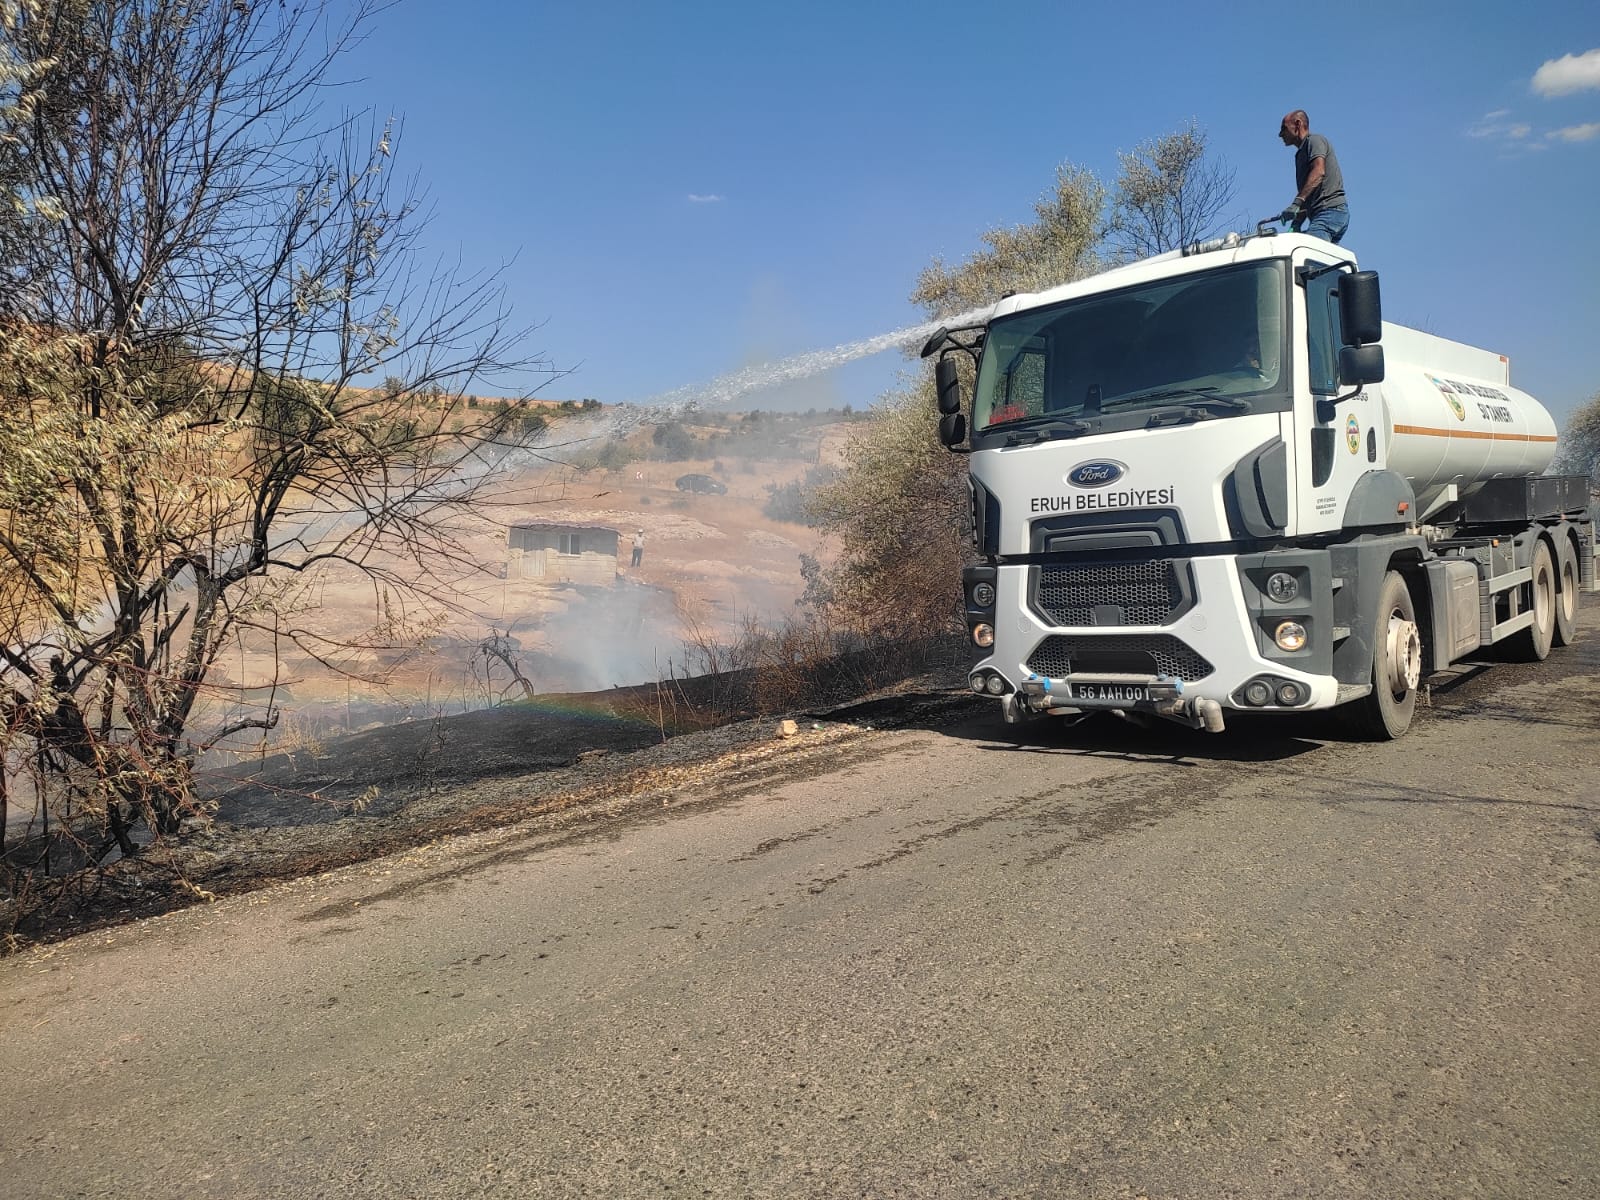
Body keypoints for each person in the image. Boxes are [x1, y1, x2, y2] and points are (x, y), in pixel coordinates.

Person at [1276, 110, 1349, 244]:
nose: (1280, 134)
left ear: (1298, 124)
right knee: (1323, 260)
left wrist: (1296, 203)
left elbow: (1319, 171)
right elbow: (1308, 193)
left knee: (1306, 248)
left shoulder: (1314, 141)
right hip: (1323, 214)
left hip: (1330, 212)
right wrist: (1297, 222)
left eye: (1284, 129)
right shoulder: (1300, 155)